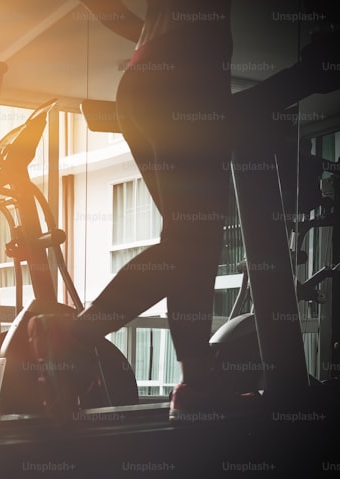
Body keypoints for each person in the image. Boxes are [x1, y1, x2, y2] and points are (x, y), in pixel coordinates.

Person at [29, 0, 238, 422]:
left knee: (186, 243)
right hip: (187, 79)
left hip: (142, 83)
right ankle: (74, 334)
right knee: (194, 241)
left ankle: (196, 385)